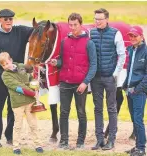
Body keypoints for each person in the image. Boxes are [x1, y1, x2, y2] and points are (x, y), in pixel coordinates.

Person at [0, 9, 33, 148]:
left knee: (14, 109)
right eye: (5, 19)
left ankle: (10, 136)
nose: (8, 21)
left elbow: (37, 30)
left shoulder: (20, 32)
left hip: (15, 78)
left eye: (10, 19)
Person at [50, 13, 97, 149]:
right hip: (65, 82)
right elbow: (62, 62)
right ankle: (63, 141)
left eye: (75, 25)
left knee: (81, 112)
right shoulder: (64, 41)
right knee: (64, 112)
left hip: (80, 84)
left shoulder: (89, 43)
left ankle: (80, 142)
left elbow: (93, 65)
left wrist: (85, 82)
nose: (72, 28)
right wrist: (56, 62)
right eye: (70, 25)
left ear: (80, 24)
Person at [90, 8, 126, 150]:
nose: (97, 21)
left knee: (111, 108)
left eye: (100, 19)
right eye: (95, 19)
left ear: (106, 20)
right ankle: (100, 139)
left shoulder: (115, 33)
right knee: (97, 109)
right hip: (95, 78)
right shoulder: (91, 33)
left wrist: (115, 74)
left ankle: (111, 139)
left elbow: (122, 55)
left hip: (109, 77)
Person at [0, 52, 43, 155]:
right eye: (3, 65)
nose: (6, 66)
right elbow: (18, 87)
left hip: (30, 102)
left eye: (7, 63)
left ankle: (38, 144)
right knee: (18, 125)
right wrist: (33, 93)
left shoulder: (22, 66)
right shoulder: (5, 76)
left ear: (11, 60)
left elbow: (30, 78)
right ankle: (16, 147)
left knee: (33, 124)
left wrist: (35, 84)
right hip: (18, 103)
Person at [123, 26, 147, 156]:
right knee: (134, 119)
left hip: (139, 92)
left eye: (135, 36)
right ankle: (137, 146)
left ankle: (141, 148)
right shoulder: (131, 50)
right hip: (130, 91)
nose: (132, 38)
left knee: (138, 119)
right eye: (130, 36)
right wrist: (126, 86)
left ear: (141, 37)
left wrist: (137, 89)